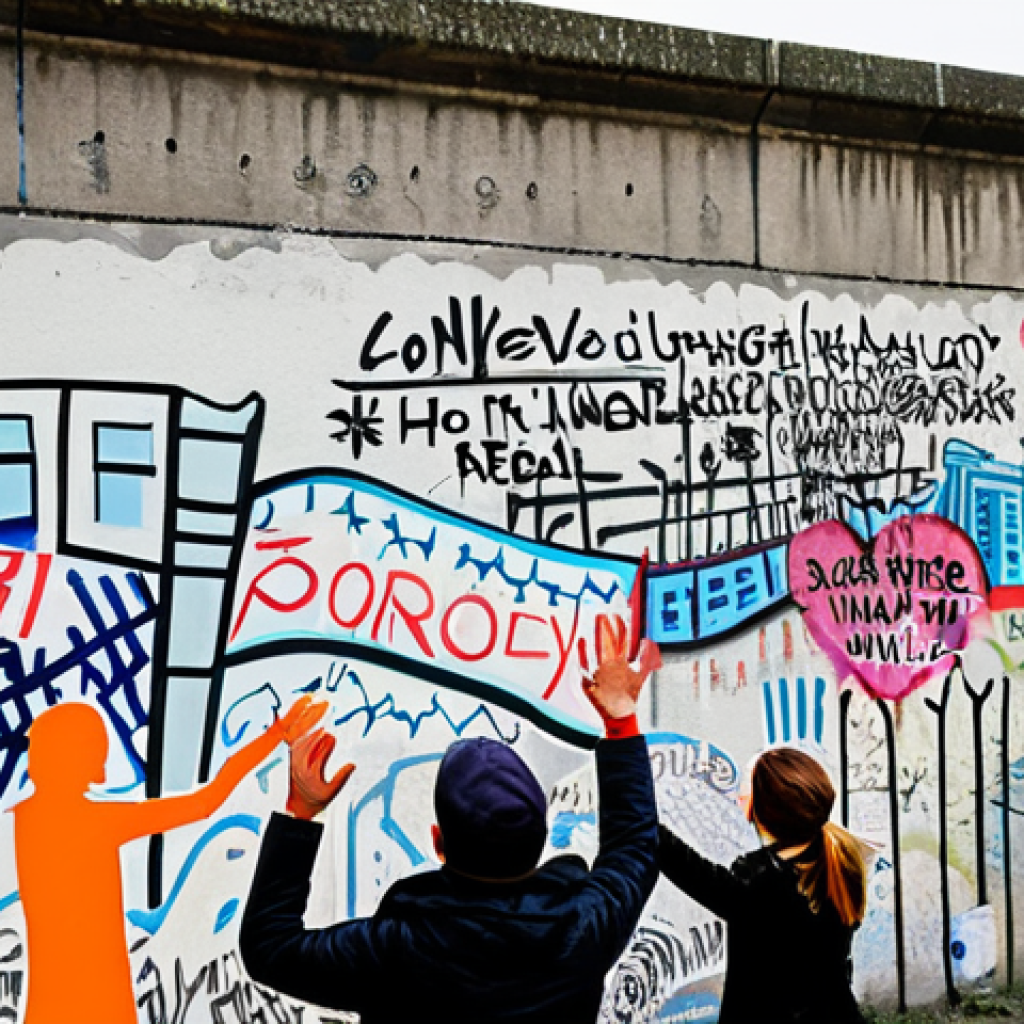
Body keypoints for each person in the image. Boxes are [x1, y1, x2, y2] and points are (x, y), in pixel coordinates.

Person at [240, 615, 662, 1024]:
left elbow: (270, 949)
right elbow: (635, 847)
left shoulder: (396, 949)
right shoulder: (583, 928)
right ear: (541, 836)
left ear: (438, 841)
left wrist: (301, 812)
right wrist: (620, 719)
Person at [13, 696, 324, 1024]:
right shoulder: (97, 823)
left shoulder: (18, 823)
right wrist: (275, 734)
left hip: (48, 1007)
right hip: (101, 1004)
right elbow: (205, 802)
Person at [658, 746, 868, 1024]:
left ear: (761, 811)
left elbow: (686, 866)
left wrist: (634, 810)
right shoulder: (839, 860)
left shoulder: (759, 886)